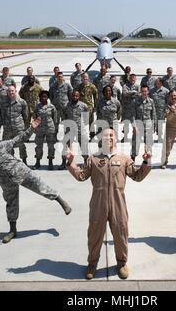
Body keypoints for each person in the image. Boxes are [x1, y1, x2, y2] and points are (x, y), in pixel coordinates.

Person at [0, 117, 71, 244]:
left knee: (40, 186)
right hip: (6, 182)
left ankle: (60, 200)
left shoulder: (3, 146)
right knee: (11, 204)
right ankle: (12, 231)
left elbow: (19, 139)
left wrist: (31, 128)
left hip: (21, 172)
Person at [66, 128, 152, 280]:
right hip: (98, 204)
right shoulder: (93, 159)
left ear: (116, 138)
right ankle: (92, 264)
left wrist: (146, 161)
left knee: (121, 233)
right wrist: (71, 161)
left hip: (118, 203)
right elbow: (81, 176)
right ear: (101, 139)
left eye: (111, 135)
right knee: (94, 234)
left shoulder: (124, 159)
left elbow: (137, 176)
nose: (109, 137)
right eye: (106, 135)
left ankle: (121, 263)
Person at [2, 86, 29, 165]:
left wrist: (21, 124)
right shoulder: (4, 103)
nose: (11, 93)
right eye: (9, 91)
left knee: (21, 145)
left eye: (12, 91)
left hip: (18, 127)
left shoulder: (22, 102)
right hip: (7, 128)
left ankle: (24, 161)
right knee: (7, 145)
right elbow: (2, 114)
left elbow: (25, 115)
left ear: (15, 91)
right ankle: (11, 162)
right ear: (7, 92)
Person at [64, 90, 90, 165]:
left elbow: (86, 117)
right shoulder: (67, 105)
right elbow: (64, 115)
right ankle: (67, 162)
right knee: (67, 146)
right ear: (71, 96)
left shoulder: (83, 106)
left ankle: (86, 161)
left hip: (79, 128)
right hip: (69, 128)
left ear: (79, 97)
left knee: (83, 144)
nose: (75, 97)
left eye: (77, 96)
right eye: (73, 96)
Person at [34, 91, 57, 170]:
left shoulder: (51, 107)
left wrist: (55, 130)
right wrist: (35, 128)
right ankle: (37, 162)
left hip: (50, 129)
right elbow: (35, 117)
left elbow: (55, 118)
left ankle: (50, 162)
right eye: (42, 97)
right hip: (40, 129)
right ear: (40, 98)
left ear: (48, 98)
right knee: (38, 146)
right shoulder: (37, 107)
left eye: (45, 97)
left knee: (51, 146)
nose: (43, 98)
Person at [131, 85, 156, 161]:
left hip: (148, 126)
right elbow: (132, 116)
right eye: (143, 91)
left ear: (148, 92)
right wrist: (134, 127)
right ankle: (133, 159)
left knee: (148, 145)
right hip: (138, 126)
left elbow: (153, 114)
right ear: (140, 92)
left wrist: (154, 126)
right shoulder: (135, 101)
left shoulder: (151, 101)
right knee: (135, 144)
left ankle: (147, 161)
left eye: (145, 91)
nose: (144, 93)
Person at [77, 72, 98, 139]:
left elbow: (96, 96)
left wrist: (95, 106)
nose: (85, 78)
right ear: (81, 79)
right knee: (82, 122)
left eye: (86, 77)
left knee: (91, 122)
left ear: (88, 78)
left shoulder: (92, 86)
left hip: (89, 107)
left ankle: (91, 135)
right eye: (83, 77)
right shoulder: (78, 87)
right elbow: (75, 95)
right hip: (81, 108)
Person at [121, 74, 140, 142]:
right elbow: (124, 93)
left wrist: (130, 94)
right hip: (126, 108)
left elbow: (139, 94)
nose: (132, 80)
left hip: (134, 109)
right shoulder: (125, 86)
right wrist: (133, 92)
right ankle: (125, 137)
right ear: (129, 79)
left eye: (134, 79)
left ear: (135, 79)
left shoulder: (138, 86)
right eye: (131, 78)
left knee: (134, 124)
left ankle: (135, 137)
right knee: (126, 124)